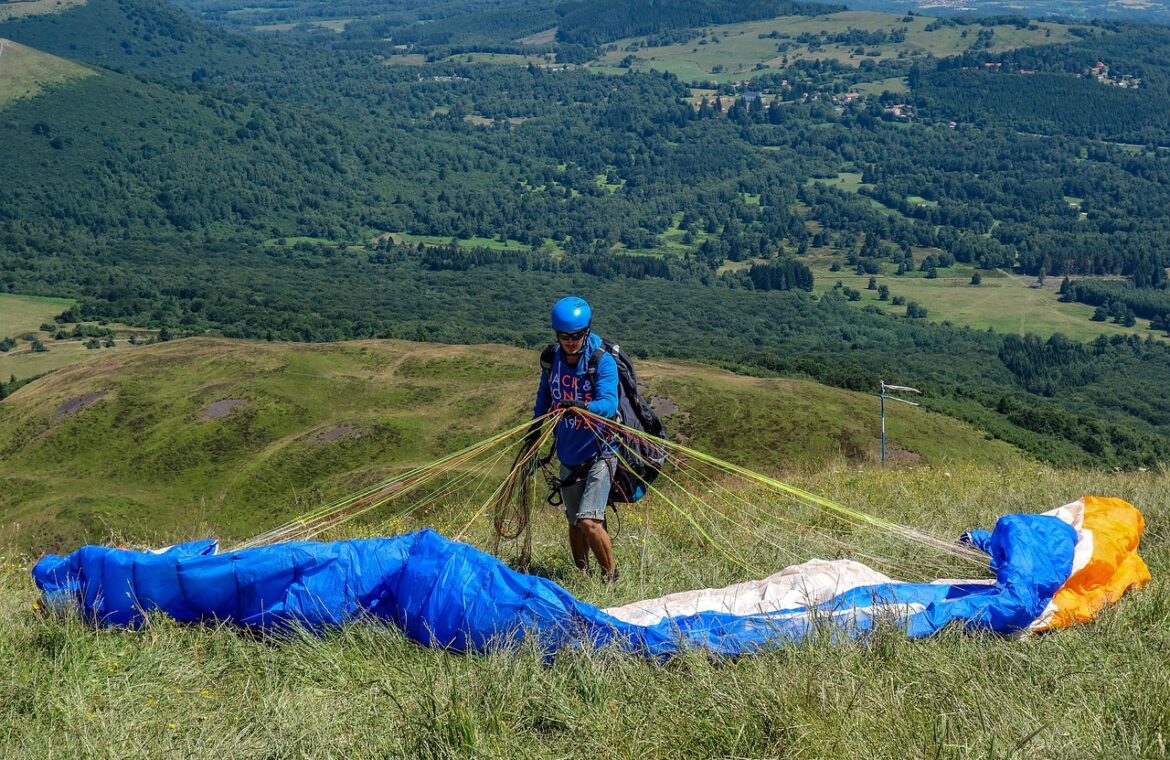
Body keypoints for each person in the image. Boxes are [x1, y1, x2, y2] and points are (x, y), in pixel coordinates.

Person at [529, 296, 620, 581]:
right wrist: (534, 431)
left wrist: (583, 407)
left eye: (577, 336)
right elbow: (545, 395)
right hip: (568, 454)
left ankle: (611, 577)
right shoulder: (551, 359)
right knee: (574, 523)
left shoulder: (601, 361)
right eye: (564, 336)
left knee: (589, 522)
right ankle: (582, 577)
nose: (570, 342)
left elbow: (609, 403)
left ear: (587, 331)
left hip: (600, 452)